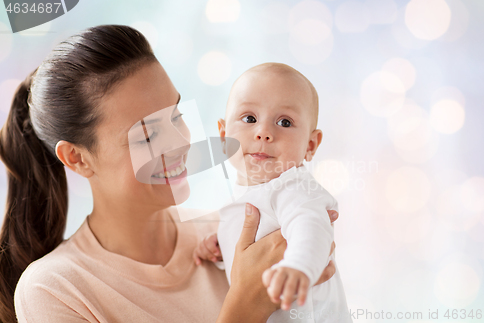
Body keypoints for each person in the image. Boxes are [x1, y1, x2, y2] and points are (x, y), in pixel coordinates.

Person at [0, 25, 337, 323]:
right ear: (77, 158)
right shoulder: (55, 289)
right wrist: (246, 308)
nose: (179, 145)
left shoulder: (232, 233)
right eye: (147, 135)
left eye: (176, 115)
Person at [193, 63, 351, 322]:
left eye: (284, 122)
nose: (264, 133)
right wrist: (222, 246)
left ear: (310, 145)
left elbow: (310, 228)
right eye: (249, 119)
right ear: (223, 137)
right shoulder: (249, 195)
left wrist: (298, 266)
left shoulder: (294, 186)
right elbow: (252, 254)